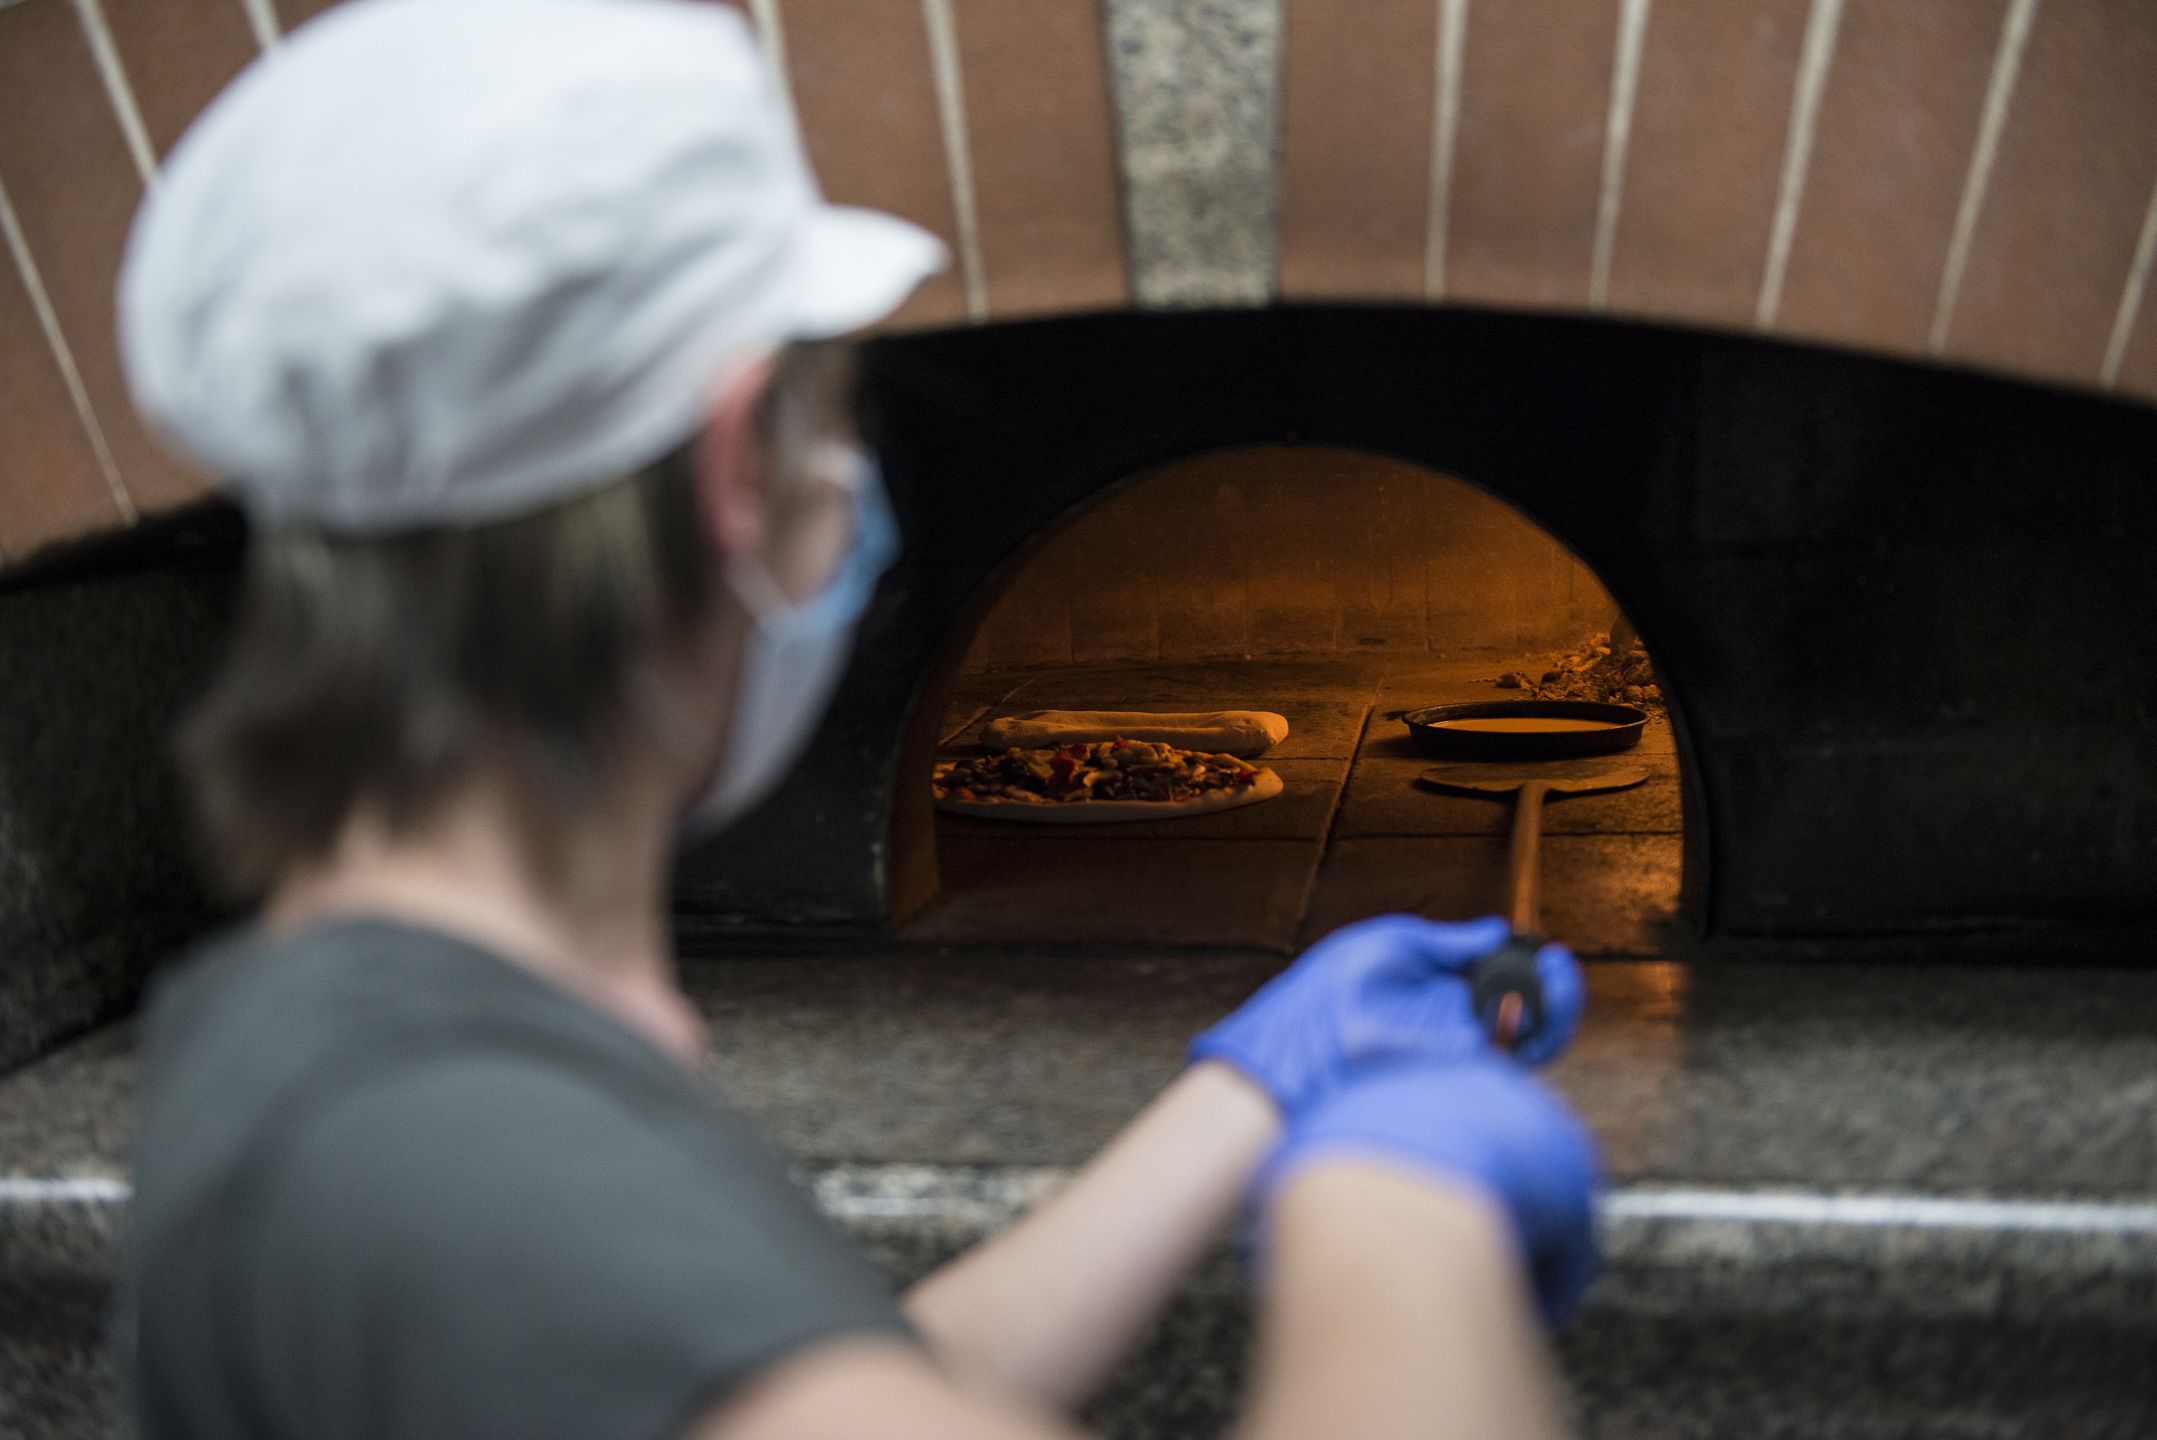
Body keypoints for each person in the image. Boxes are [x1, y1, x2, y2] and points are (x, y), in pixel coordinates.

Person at [109, 1, 1602, 1437]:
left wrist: (1240, 1099)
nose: (852, 490)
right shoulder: (447, 1154)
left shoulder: (355, 1036)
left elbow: (810, 1389)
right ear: (735, 471)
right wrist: (1392, 1205)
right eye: (837, 421)